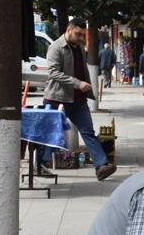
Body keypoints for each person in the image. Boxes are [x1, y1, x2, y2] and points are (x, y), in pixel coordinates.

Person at [43, 17, 117, 181]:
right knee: (51, 134)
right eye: (78, 34)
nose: (81, 38)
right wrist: (77, 84)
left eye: (83, 35)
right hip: (57, 99)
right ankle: (41, 163)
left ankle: (101, 166)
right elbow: (53, 73)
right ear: (68, 30)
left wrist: (86, 89)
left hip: (78, 100)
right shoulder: (56, 47)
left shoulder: (80, 48)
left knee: (88, 132)